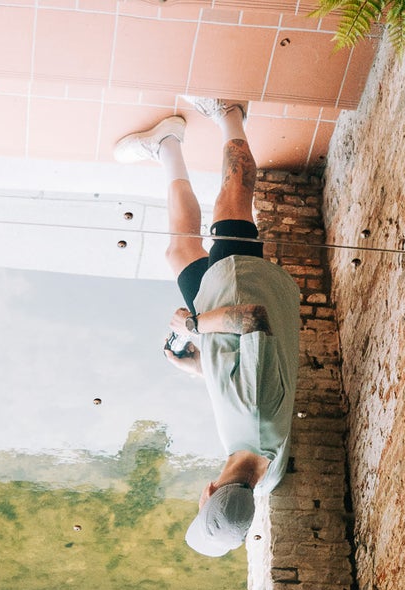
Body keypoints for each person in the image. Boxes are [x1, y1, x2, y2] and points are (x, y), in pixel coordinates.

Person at [114, 98, 301, 558]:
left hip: (221, 309)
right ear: (209, 490)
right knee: (234, 196)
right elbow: (253, 322)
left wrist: (198, 367)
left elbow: (243, 383)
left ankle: (167, 144)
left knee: (179, 252)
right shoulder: (255, 424)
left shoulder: (263, 473)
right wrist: (196, 328)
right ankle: (229, 112)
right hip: (239, 287)